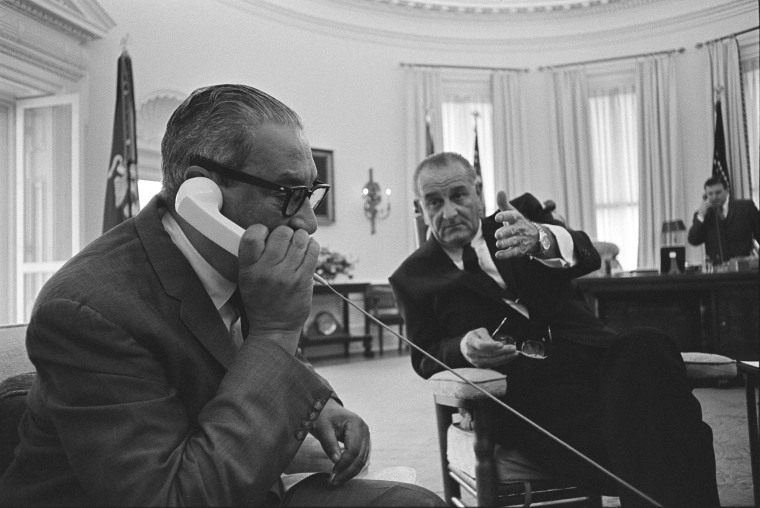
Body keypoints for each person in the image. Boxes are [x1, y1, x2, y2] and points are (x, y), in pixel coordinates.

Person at [0, 84, 444, 507]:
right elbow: (172, 499)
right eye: (290, 195)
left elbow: (241, 355)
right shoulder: (88, 309)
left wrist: (318, 404)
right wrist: (275, 329)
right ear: (201, 193)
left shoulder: (240, 260)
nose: (307, 222)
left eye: (310, 194)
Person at [389, 152, 720, 507]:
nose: (449, 212)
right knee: (668, 429)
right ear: (419, 208)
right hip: (530, 393)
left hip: (597, 357)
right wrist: (463, 347)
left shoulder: (520, 216)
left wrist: (540, 239)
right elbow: (425, 356)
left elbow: (588, 254)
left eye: (458, 196)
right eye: (434, 202)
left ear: (478, 191)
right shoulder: (412, 277)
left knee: (649, 345)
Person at [687, 175, 760, 264]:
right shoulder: (703, 215)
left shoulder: (745, 207)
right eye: (710, 194)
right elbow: (693, 240)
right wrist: (701, 216)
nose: (714, 197)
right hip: (717, 272)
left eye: (718, 192)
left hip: (744, 268)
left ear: (727, 190)